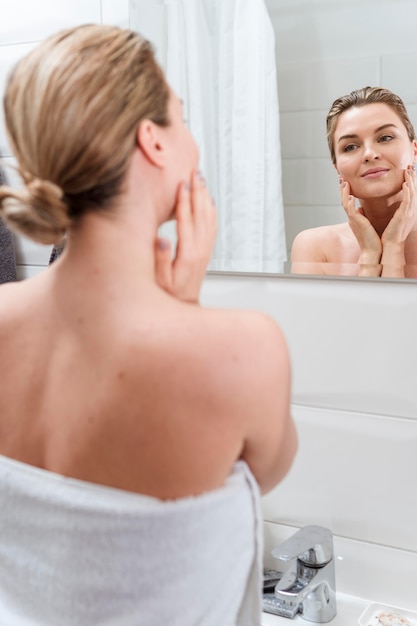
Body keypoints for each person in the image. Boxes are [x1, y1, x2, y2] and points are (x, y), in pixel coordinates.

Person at [0, 24, 296, 626]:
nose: (190, 139)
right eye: (180, 119)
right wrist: (184, 314)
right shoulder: (245, 350)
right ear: (153, 142)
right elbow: (266, 472)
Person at [291, 86, 417, 278]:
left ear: (414, 150)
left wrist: (394, 247)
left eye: (385, 137)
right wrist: (369, 259)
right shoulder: (315, 247)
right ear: (337, 168)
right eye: (350, 147)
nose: (369, 154)